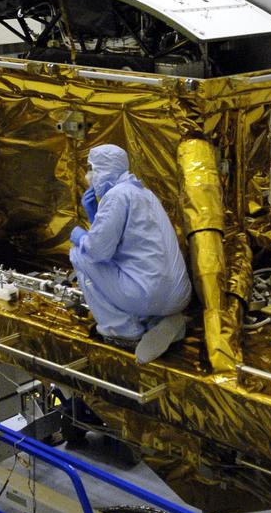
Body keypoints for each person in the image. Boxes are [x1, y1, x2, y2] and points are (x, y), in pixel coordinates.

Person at [69, 144, 192, 364]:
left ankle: (124, 331)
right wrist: (95, 215)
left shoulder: (117, 195)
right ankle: (158, 322)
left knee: (79, 254)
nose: (89, 176)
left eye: (93, 169)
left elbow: (98, 252)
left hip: (149, 294)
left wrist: (79, 236)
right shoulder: (143, 192)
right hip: (179, 295)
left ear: (106, 170)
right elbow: (122, 245)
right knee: (118, 266)